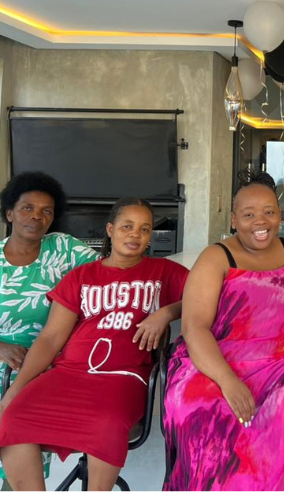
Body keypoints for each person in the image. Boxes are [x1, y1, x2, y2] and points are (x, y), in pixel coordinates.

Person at [163, 172, 284, 491]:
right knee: (203, 407)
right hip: (215, 362)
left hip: (283, 364)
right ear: (233, 218)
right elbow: (194, 327)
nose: (261, 221)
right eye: (249, 214)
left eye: (269, 211)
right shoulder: (216, 257)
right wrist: (228, 381)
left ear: (280, 215)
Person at [0, 198, 186, 491]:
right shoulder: (82, 276)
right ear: (111, 230)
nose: (135, 235)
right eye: (127, 226)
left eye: (144, 229)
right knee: (11, 419)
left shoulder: (164, 272)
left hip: (123, 377)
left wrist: (167, 312)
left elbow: (209, 297)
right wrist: (16, 389)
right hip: (68, 374)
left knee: (107, 423)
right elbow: (50, 338)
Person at [0, 172, 97, 483]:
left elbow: (109, 276)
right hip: (4, 362)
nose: (37, 217)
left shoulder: (64, 250)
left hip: (43, 369)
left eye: (46, 211)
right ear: (9, 213)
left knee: (20, 450)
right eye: (27, 208)